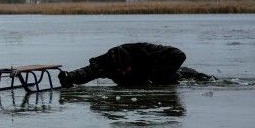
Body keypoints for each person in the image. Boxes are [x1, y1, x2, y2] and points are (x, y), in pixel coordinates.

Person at [58, 42, 214, 88]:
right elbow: (86, 73)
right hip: (136, 82)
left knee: (185, 75)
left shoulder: (146, 52)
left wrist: (157, 73)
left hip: (161, 75)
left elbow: (180, 55)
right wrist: (68, 77)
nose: (124, 71)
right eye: (121, 70)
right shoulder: (106, 64)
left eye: (126, 68)